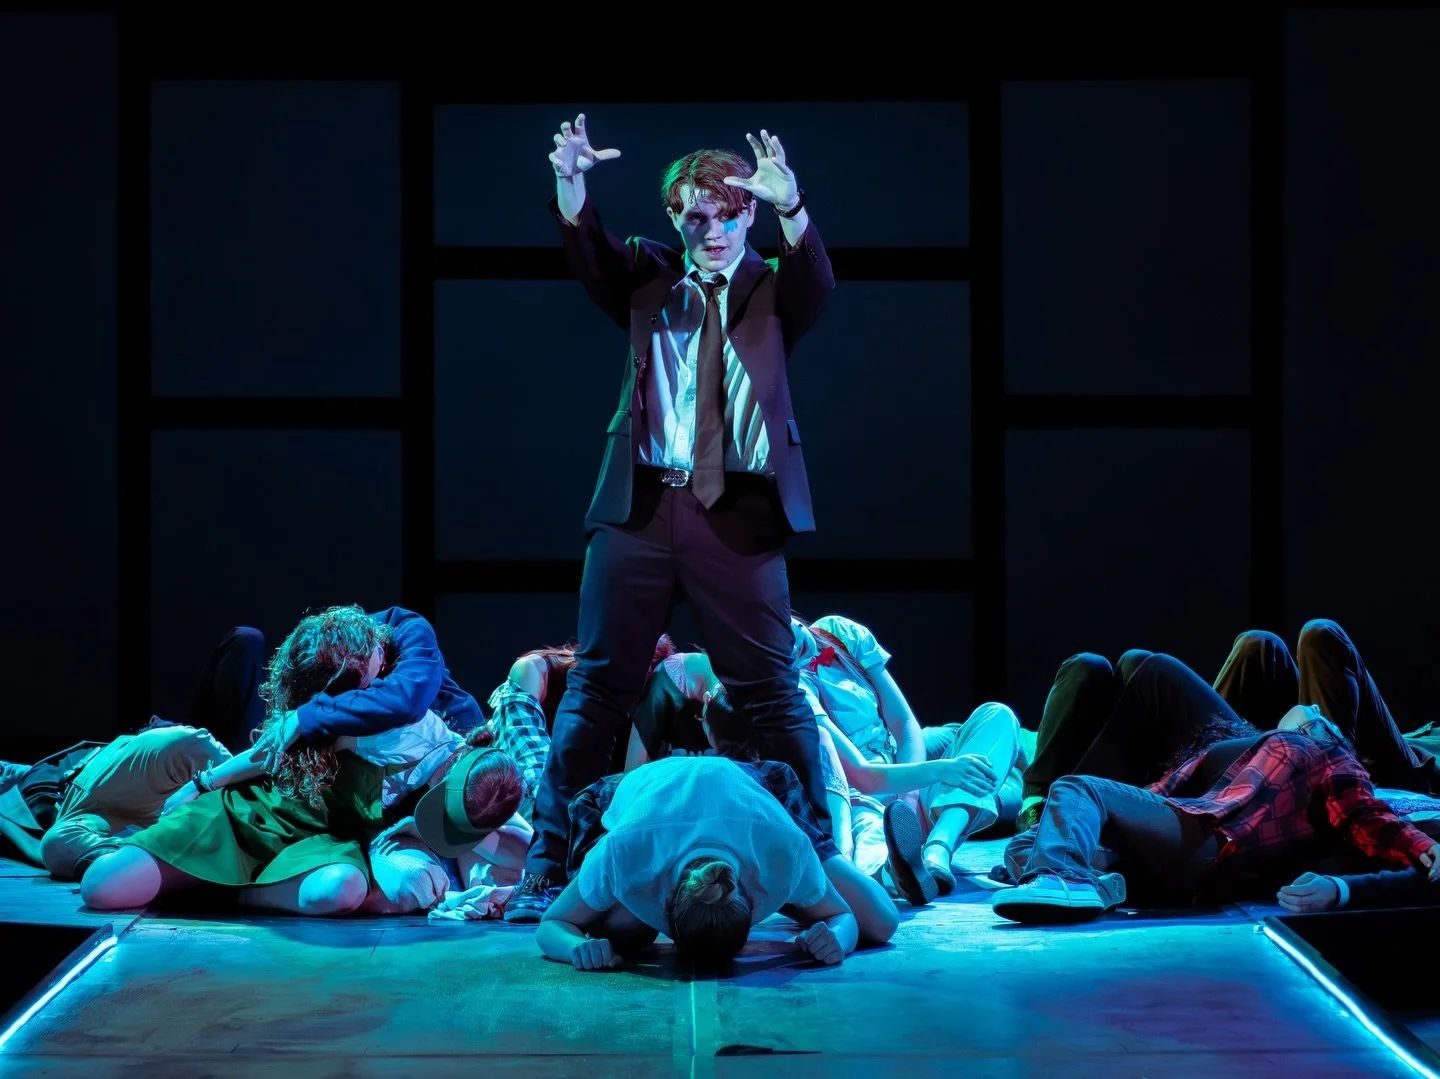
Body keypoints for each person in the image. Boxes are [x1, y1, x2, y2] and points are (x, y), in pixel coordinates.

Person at [509, 112, 837, 922]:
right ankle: (549, 869)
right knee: (597, 690)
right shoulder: (650, 276)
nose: (713, 231)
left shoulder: (772, 286)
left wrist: (792, 206)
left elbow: (817, 284)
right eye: (696, 217)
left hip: (741, 514)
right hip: (645, 508)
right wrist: (571, 184)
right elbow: (590, 253)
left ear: (748, 214)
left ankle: (819, 866)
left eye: (729, 215)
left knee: (773, 694)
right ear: (674, 218)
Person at [79, 605, 489, 915]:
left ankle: (224, 893)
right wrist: (200, 784)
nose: (381, 665)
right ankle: (181, 869)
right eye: (370, 667)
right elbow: (264, 755)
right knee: (103, 887)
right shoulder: (335, 712)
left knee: (340, 889)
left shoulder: (397, 695)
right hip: (256, 813)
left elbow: (410, 703)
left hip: (320, 840)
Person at [992, 655, 1440, 924]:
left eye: (1315, 712)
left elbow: (1365, 815)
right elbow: (1159, 793)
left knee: (1077, 787)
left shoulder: (1327, 755)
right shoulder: (1244, 748)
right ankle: (1094, 879)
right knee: (1029, 842)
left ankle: (1067, 878)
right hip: (1181, 837)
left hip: (1211, 839)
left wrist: (1422, 846)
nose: (1308, 706)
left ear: (1325, 730)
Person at [1018, 618, 1440, 832]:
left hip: (1369, 769)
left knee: (1319, 634)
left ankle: (1067, 821)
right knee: (1260, 645)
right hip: (1299, 749)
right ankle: (1186, 770)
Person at [536, 755, 896, 970]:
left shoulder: (782, 849)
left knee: (882, 921)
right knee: (627, 932)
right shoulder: (625, 851)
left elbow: (844, 916)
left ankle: (872, 877)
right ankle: (809, 893)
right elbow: (552, 925)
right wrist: (576, 947)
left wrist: (836, 938)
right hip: (645, 794)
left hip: (753, 792)